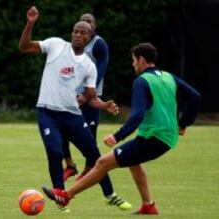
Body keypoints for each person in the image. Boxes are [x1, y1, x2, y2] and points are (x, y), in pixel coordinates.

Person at [42, 42, 202, 215]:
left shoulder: (141, 82)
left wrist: (118, 136)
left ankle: (66, 196)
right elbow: (195, 97)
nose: (133, 64)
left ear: (141, 60)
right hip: (160, 137)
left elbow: (137, 115)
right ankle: (148, 205)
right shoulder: (167, 77)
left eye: (133, 60)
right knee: (133, 163)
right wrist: (184, 123)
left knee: (102, 163)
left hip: (154, 139)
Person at [19, 6, 129, 212]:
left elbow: (91, 99)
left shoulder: (89, 66)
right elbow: (24, 47)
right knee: (54, 151)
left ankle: (110, 194)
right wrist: (30, 24)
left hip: (72, 116)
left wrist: (105, 105)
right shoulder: (56, 45)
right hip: (47, 112)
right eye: (75, 31)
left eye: (83, 33)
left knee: (95, 156)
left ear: (89, 37)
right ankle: (60, 198)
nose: (78, 35)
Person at [63, 13, 110, 182]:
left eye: (89, 22)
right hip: (73, 95)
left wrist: (87, 94)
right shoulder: (73, 44)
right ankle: (69, 165)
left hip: (90, 97)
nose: (85, 25)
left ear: (94, 27)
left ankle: (89, 169)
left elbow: (100, 69)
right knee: (62, 129)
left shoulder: (99, 44)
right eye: (82, 22)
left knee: (90, 136)